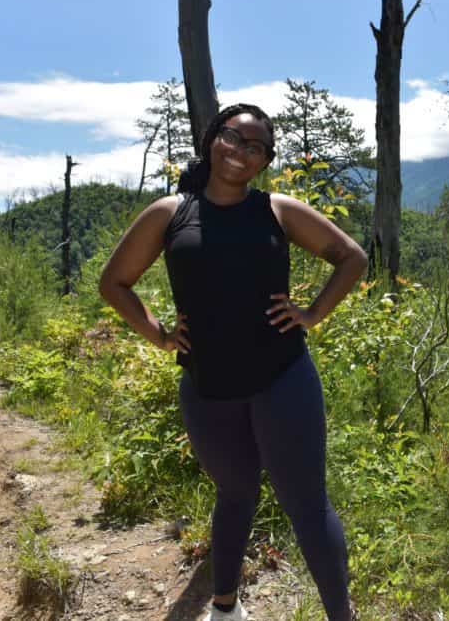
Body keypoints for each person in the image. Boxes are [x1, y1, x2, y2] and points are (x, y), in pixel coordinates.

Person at [99, 103, 366, 621]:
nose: (239, 152)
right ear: (211, 138)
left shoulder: (277, 210)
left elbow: (350, 256)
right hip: (207, 387)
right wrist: (157, 333)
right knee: (235, 492)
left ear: (264, 160)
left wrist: (311, 314)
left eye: (254, 147)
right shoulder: (170, 213)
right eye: (231, 137)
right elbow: (114, 283)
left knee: (307, 506)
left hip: (282, 378)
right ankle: (224, 608)